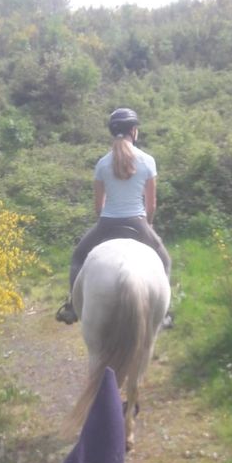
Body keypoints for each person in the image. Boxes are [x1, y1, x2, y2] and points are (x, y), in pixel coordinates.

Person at [56, 107, 173, 326]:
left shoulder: (102, 164)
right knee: (165, 260)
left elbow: (98, 207)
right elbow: (152, 204)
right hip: (138, 223)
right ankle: (165, 313)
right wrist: (148, 224)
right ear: (134, 131)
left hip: (107, 223)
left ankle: (72, 307)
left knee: (78, 258)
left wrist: (105, 221)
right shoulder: (147, 161)